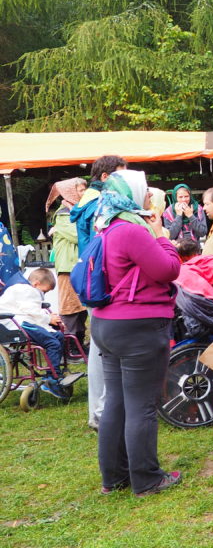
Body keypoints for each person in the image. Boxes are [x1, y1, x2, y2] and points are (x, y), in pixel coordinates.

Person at [89, 169, 183, 496]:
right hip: (138, 328)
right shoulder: (132, 230)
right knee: (141, 405)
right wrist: (160, 236)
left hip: (107, 324)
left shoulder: (106, 227)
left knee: (116, 402)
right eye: (144, 190)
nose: (149, 195)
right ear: (130, 193)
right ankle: (146, 479)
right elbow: (168, 269)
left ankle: (114, 477)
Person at [69, 155, 126, 432]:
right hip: (100, 282)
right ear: (105, 177)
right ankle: (102, 412)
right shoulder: (98, 204)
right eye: (120, 176)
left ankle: (99, 411)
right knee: (104, 349)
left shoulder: (87, 201)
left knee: (99, 347)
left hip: (93, 281)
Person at [0, 269, 70, 397]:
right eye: (44, 291)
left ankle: (54, 371)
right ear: (36, 284)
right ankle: (52, 378)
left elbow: (32, 310)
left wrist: (49, 319)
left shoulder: (23, 288)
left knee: (58, 336)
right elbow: (32, 310)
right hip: (16, 324)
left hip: (19, 321)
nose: (44, 294)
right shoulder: (28, 290)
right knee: (53, 343)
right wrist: (49, 319)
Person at [46, 177, 88, 345]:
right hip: (68, 266)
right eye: (80, 190)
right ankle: (69, 345)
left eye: (85, 189)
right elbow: (78, 236)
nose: (84, 193)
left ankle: (79, 344)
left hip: (80, 265)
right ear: (70, 192)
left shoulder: (79, 210)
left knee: (82, 308)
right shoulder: (63, 214)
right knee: (70, 307)